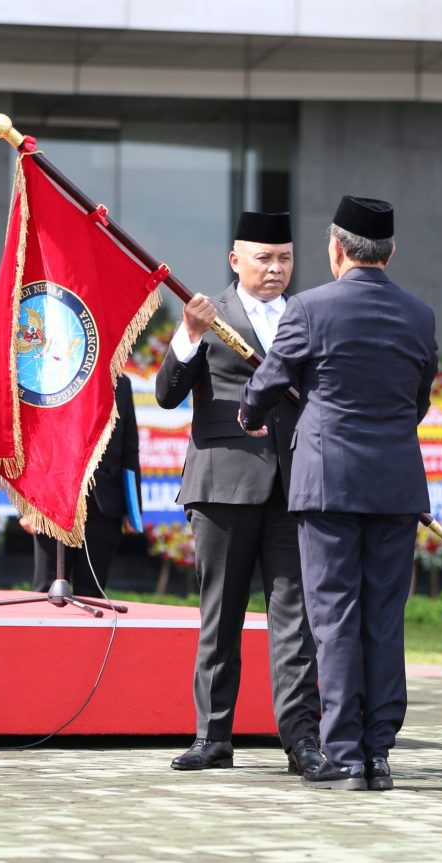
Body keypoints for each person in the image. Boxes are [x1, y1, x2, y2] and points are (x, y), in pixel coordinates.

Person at [239, 196, 438, 791]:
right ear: (391, 252)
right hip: (397, 483)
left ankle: (345, 754)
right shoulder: (419, 314)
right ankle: (379, 752)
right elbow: (420, 397)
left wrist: (251, 412)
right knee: (384, 618)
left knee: (334, 619)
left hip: (327, 485)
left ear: (335, 249)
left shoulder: (308, 309)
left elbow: (271, 381)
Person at [156, 211, 322, 776]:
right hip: (224, 484)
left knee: (296, 620)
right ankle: (212, 736)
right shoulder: (211, 315)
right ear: (236, 260)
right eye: (264, 259)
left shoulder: (309, 314)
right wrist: (190, 334)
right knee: (220, 614)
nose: (276, 270)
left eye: (285, 259)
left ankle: (303, 740)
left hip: (295, 485)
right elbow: (165, 395)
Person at [28, 374, 141, 597]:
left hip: (104, 502)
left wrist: (133, 509)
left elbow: (130, 449)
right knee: (47, 591)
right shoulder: (51, 375)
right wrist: (29, 507)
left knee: (93, 594)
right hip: (52, 501)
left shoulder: (121, 382)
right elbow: (35, 442)